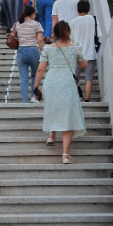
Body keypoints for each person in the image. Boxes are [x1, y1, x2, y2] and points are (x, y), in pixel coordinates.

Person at [33, 21, 87, 164]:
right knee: (67, 117)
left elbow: (40, 69)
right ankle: (65, 155)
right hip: (68, 84)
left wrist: (36, 86)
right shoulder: (75, 47)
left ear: (55, 34)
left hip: (51, 82)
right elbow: (84, 65)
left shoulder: (48, 49)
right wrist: (79, 54)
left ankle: (51, 135)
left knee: (53, 109)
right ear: (68, 33)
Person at [69, 0, 101, 101]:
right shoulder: (94, 20)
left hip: (77, 55)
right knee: (89, 80)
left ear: (77, 10)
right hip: (90, 54)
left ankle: (78, 94)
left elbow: (71, 40)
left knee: (73, 77)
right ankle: (87, 100)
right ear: (89, 9)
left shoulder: (73, 22)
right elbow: (98, 37)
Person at [12, 6, 44, 103]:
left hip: (21, 50)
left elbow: (11, 36)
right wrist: (43, 52)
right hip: (33, 50)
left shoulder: (17, 24)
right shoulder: (36, 24)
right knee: (35, 75)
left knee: (23, 78)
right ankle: (34, 97)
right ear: (31, 14)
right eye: (34, 14)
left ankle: (25, 101)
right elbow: (39, 40)